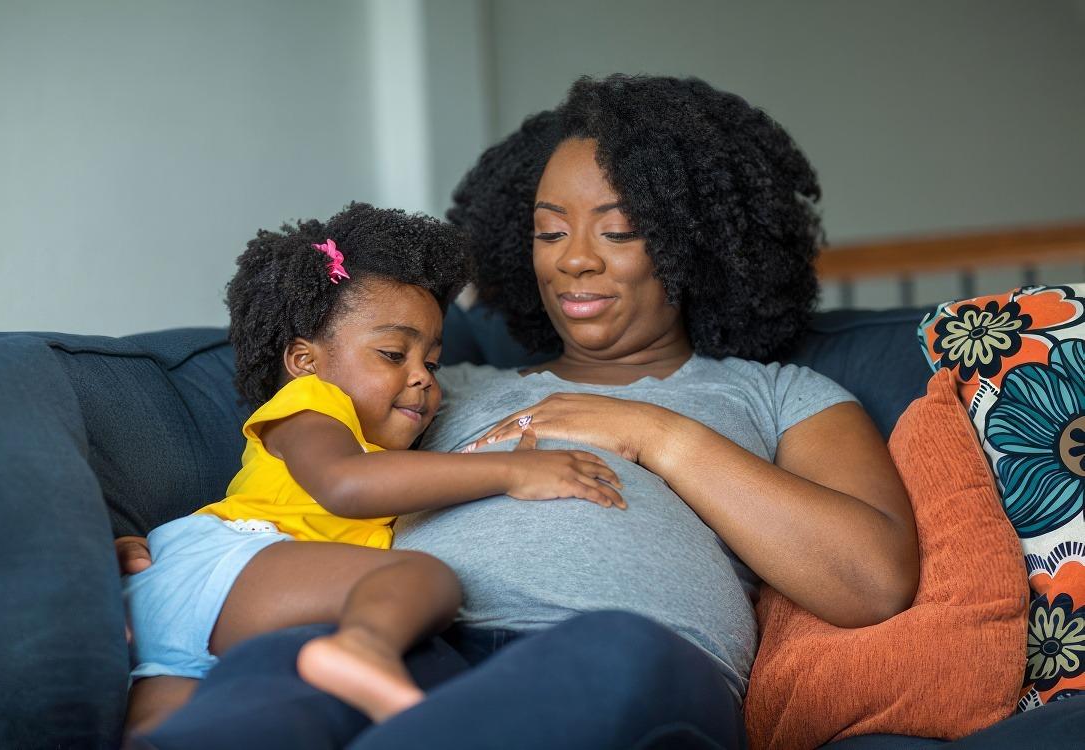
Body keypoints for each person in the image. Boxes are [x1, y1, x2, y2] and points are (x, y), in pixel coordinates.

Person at [121, 75, 919, 749]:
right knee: (277, 673)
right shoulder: (431, 383)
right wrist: (171, 555)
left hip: (629, 652)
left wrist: (654, 433)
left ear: (696, 242)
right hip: (404, 636)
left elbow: (870, 582)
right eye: (548, 231)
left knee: (615, 653)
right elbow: (308, 484)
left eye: (620, 230)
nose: (573, 258)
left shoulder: (777, 395)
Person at [121, 202, 625, 733]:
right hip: (229, 561)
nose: (423, 378)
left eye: (431, 362)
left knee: (163, 734)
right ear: (304, 361)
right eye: (392, 354)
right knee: (419, 576)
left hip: (195, 622)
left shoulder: (383, 447)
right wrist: (509, 472)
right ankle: (365, 646)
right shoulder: (310, 407)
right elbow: (345, 486)